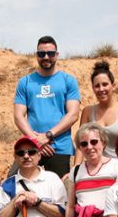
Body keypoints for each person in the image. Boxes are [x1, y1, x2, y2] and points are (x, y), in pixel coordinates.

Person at [13, 35, 81, 178]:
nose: (46, 57)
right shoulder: (25, 82)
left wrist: (48, 135)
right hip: (30, 148)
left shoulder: (68, 80)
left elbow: (73, 114)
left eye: (50, 53)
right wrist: (37, 141)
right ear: (36, 55)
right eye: (41, 53)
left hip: (59, 148)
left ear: (56, 55)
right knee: (14, 185)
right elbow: (19, 116)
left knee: (59, 194)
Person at [76, 60, 118, 161]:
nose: (101, 89)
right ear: (93, 88)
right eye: (97, 86)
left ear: (113, 86)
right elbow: (81, 144)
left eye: (105, 84)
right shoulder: (88, 112)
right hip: (99, 169)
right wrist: (76, 170)